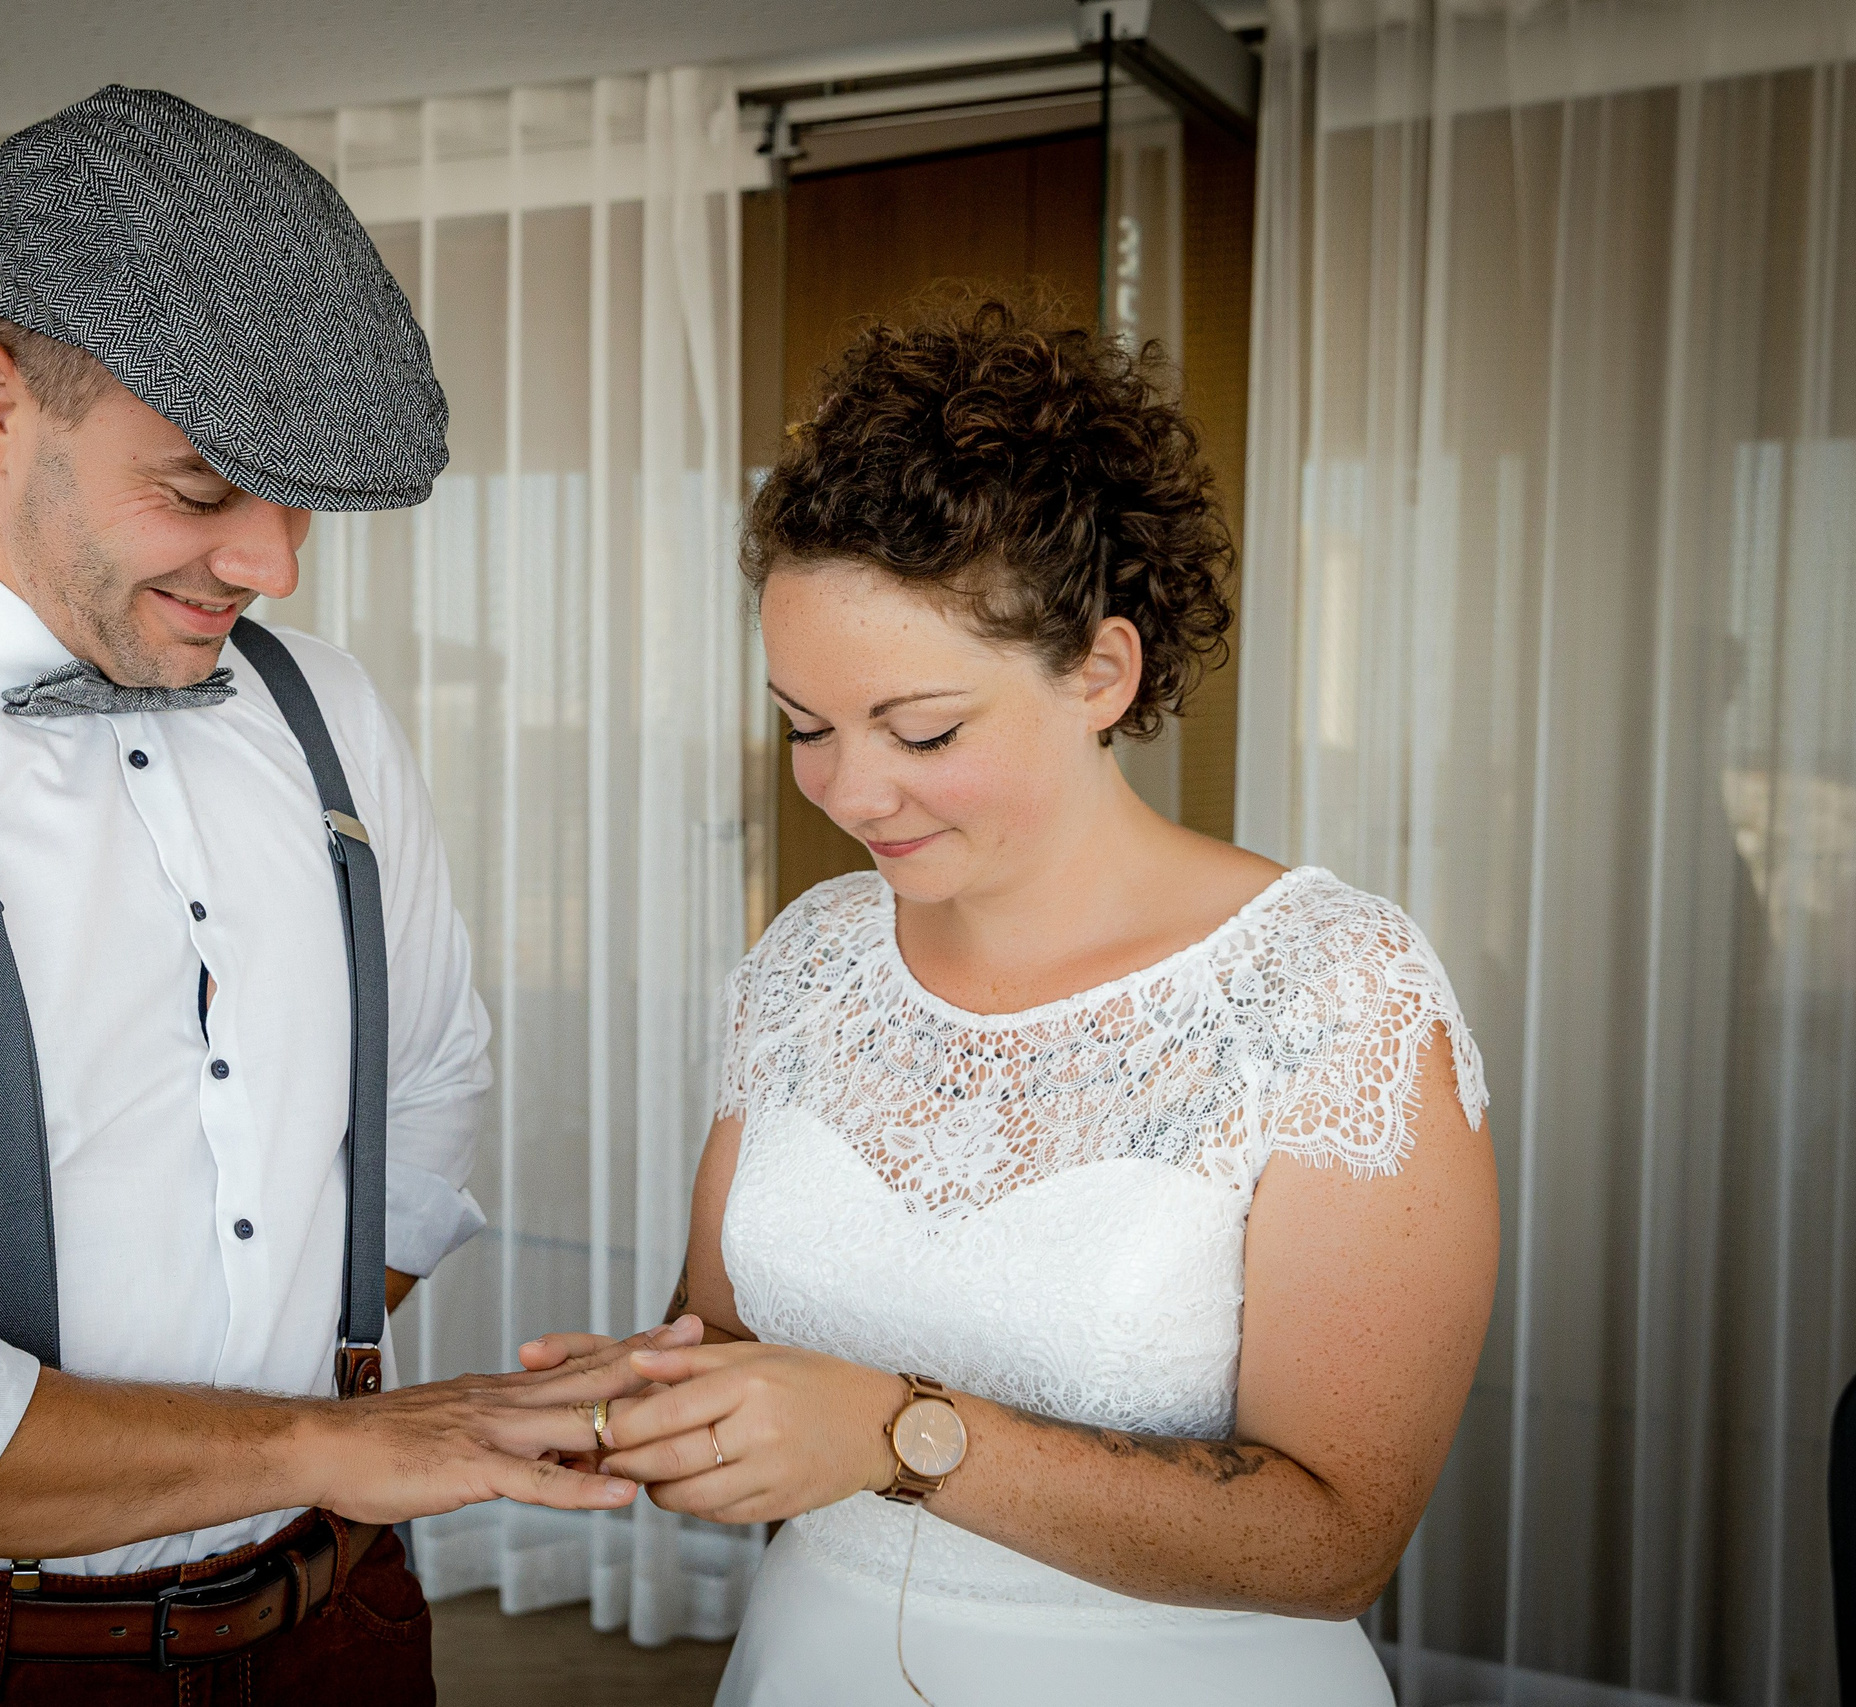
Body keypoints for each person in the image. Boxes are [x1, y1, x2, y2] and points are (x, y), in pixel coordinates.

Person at [0, 87, 664, 1706]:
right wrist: (315, 1441)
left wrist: (279, 1440)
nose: (275, 566)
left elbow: (425, 1092)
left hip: (342, 1631)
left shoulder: (331, 712)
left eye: (301, 502)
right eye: (208, 486)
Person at [524, 297, 1499, 1703]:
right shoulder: (811, 961)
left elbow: (1334, 1540)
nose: (851, 793)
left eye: (923, 729)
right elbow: (724, 1332)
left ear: (1102, 672)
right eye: (806, 726)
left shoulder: (1334, 992)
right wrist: (644, 1407)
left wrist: (897, 1432)